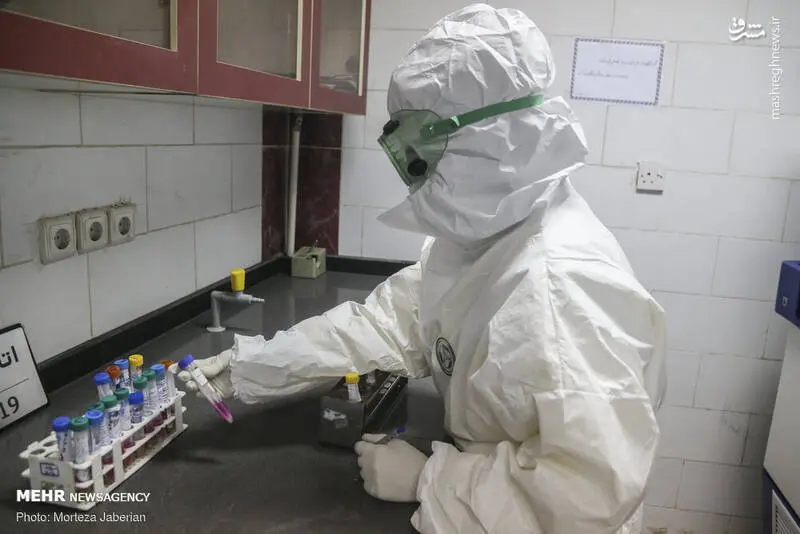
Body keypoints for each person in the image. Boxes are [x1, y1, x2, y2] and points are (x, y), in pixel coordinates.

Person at [178, 4, 666, 533]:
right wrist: (251, 367)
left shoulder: (560, 286)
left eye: (420, 147)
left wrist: (430, 480)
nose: (411, 169)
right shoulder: (491, 237)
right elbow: (384, 324)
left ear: (489, 139)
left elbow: (587, 497)